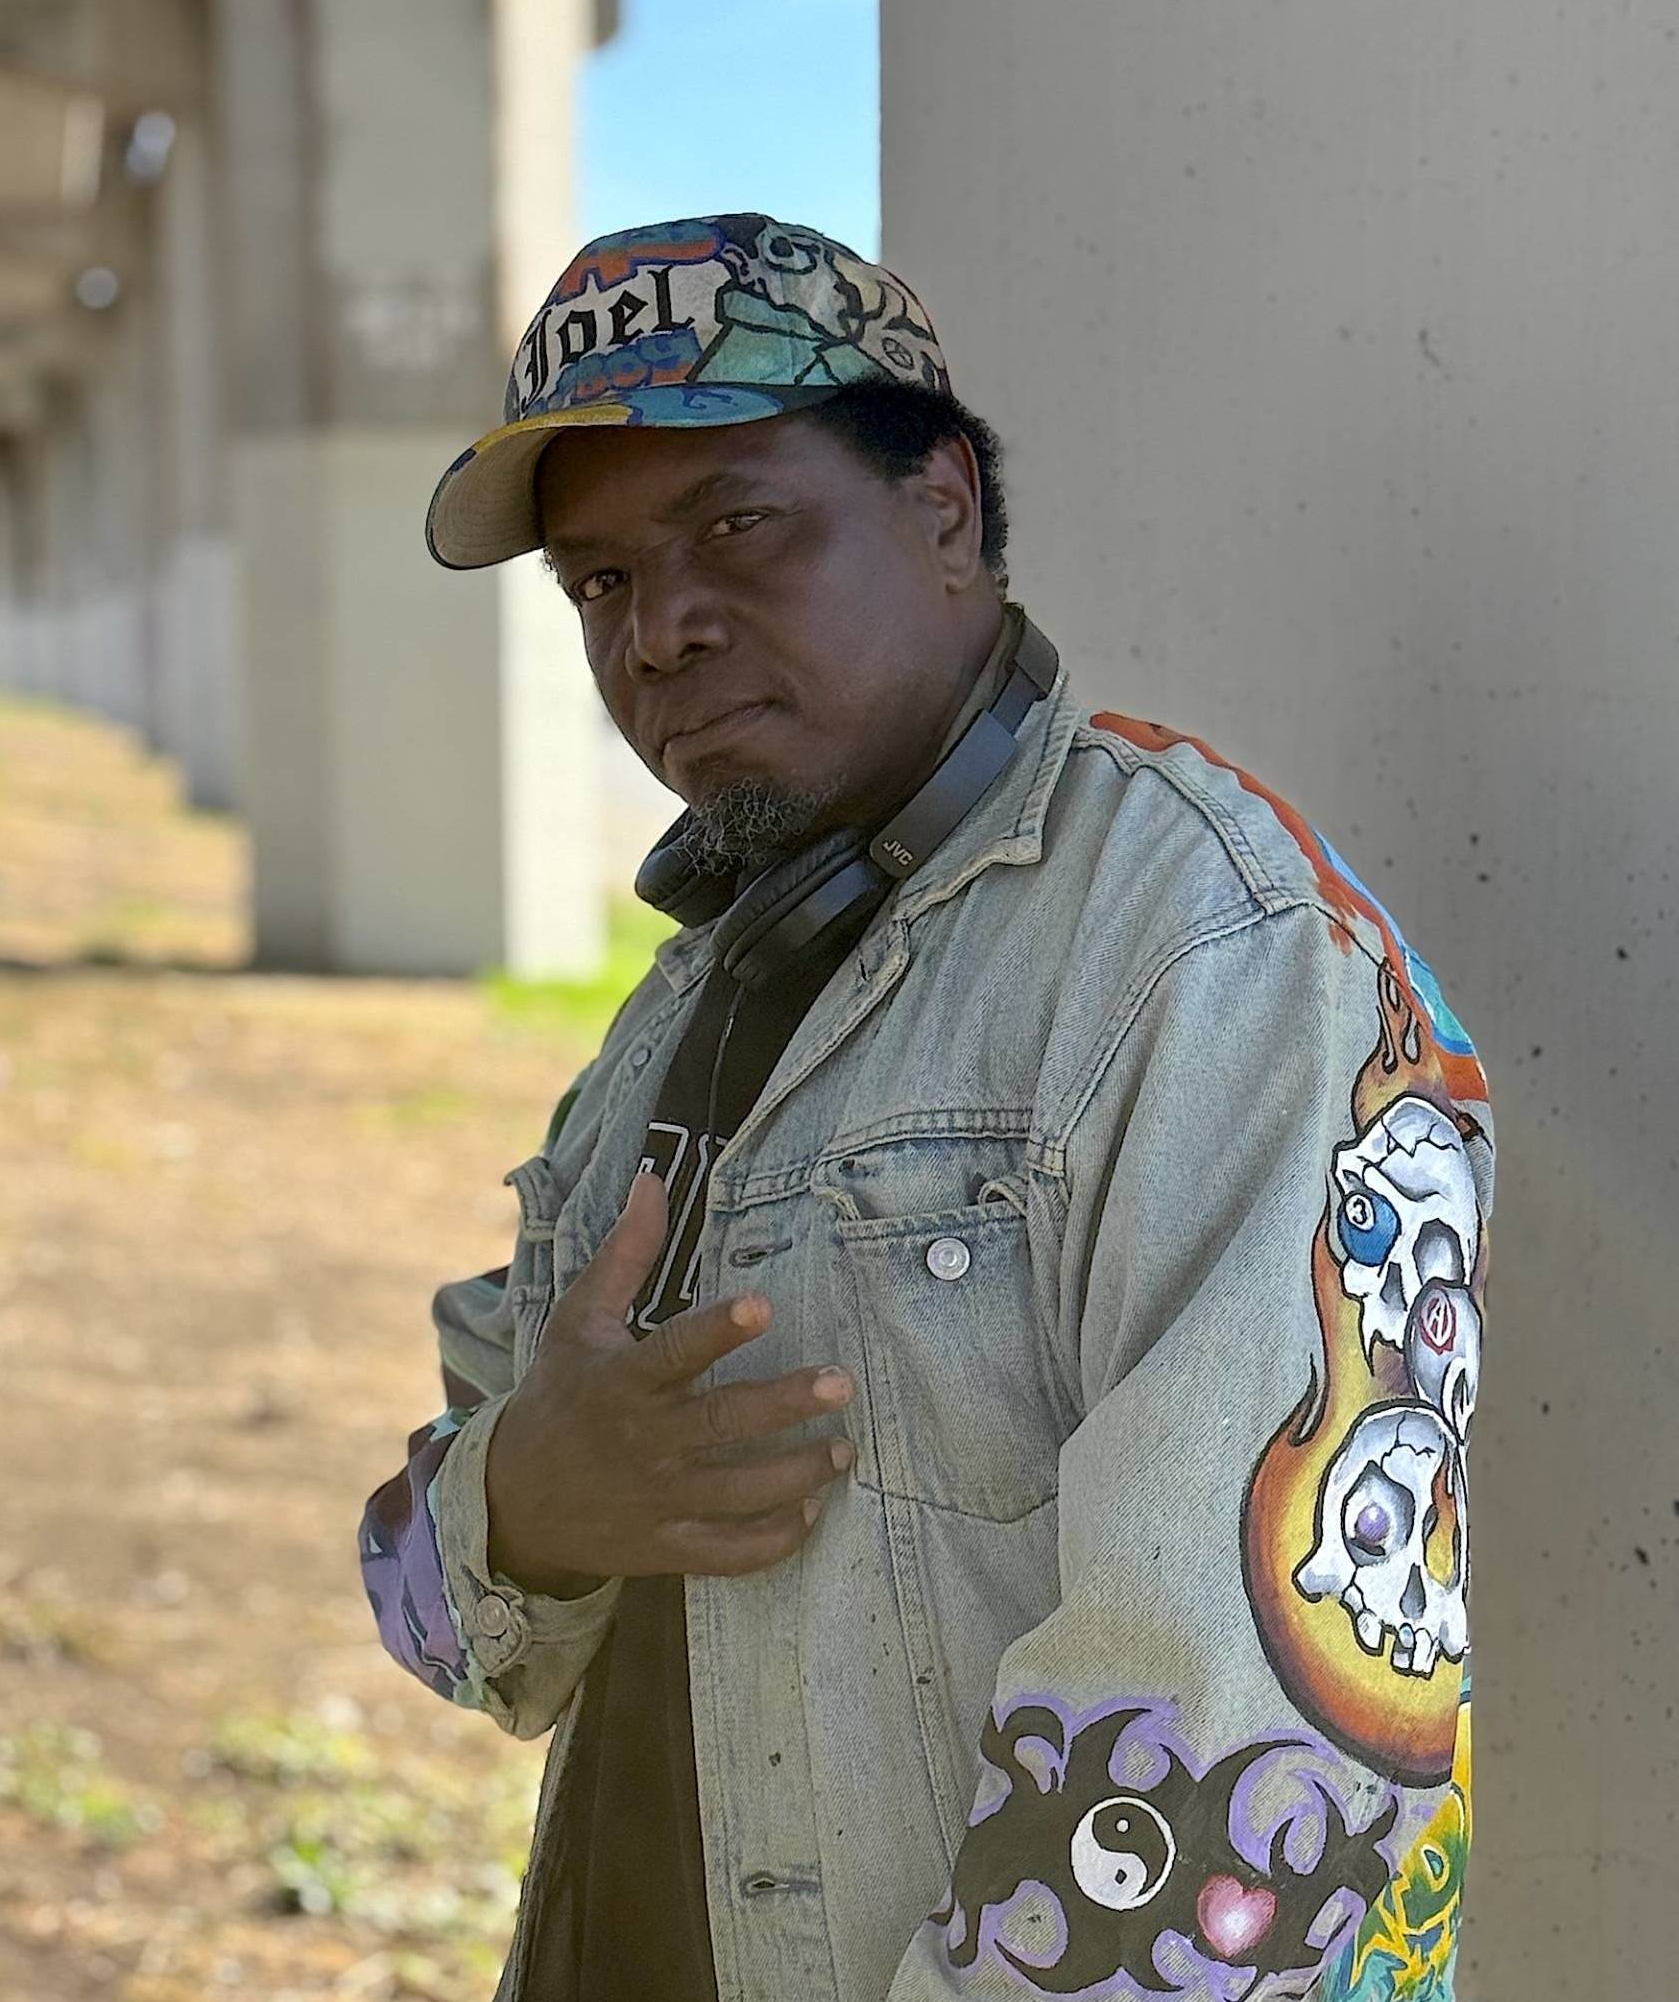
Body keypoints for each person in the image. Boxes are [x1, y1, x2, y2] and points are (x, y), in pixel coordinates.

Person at [359, 214, 1493, 2002]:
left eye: (736, 525)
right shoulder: (691, 1003)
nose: (660, 630)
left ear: (944, 507)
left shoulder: (1209, 955)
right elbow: (442, 1617)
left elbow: (1244, 1788)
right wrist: (529, 1499)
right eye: (598, 583)